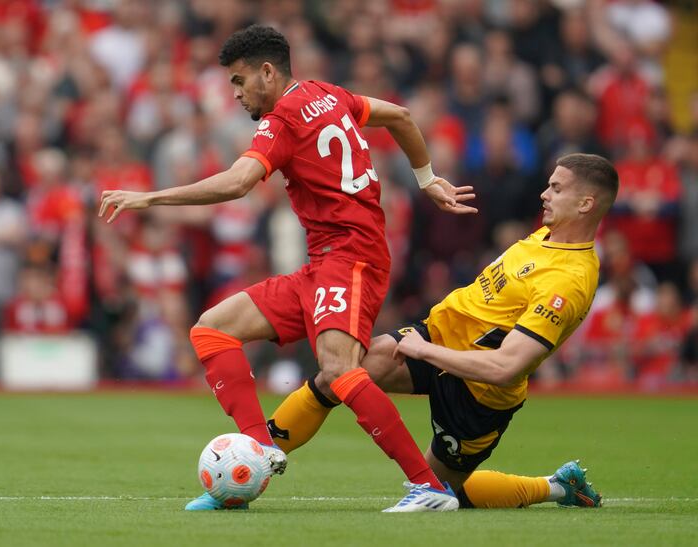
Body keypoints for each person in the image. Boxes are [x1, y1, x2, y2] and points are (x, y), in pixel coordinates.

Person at [99, 24, 477, 512]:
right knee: (211, 330)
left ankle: (430, 487)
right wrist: (427, 178)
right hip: (323, 262)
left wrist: (150, 196)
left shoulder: (282, 120)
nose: (235, 93)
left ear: (267, 72)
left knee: (339, 370)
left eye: (238, 81)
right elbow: (400, 116)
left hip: (352, 257)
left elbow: (238, 183)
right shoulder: (328, 94)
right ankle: (257, 456)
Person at [268, 153, 618, 510]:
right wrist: (426, 345)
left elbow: (506, 367)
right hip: (437, 334)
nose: (545, 194)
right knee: (338, 375)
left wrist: (423, 352)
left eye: (556, 189)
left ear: (585, 204)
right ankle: (259, 452)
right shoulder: (549, 234)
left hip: (478, 394)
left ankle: (557, 487)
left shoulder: (568, 282)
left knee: (444, 493)